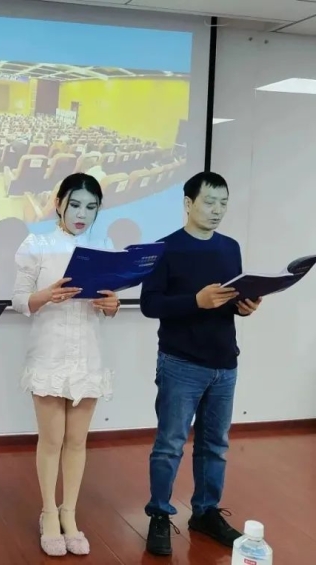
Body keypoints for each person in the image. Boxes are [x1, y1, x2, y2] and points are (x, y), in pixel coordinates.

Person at [140, 171, 261, 556]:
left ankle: (205, 512)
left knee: (215, 445)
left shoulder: (230, 248)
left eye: (223, 203)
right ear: (188, 203)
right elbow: (149, 304)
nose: (217, 210)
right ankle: (160, 514)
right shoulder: (165, 248)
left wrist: (245, 306)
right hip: (180, 362)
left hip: (225, 362)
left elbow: (232, 300)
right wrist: (195, 301)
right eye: (209, 202)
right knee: (169, 445)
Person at [12, 173, 121, 557]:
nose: (81, 214)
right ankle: (48, 513)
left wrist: (112, 305)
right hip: (49, 353)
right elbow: (19, 301)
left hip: (87, 355)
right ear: (58, 202)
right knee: (52, 440)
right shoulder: (36, 244)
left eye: (91, 207)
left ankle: (69, 514)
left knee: (77, 441)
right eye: (75, 204)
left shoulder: (103, 246)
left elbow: (108, 305)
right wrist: (47, 295)